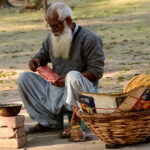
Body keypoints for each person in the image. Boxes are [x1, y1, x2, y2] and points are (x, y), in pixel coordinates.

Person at [18, 2, 105, 137]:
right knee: (24, 78)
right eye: (50, 26)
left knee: (73, 76)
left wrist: (67, 80)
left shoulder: (90, 39)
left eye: (56, 26)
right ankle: (47, 122)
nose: (53, 30)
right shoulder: (51, 37)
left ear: (68, 21)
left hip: (82, 91)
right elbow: (43, 56)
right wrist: (36, 61)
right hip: (56, 90)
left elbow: (96, 71)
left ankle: (77, 118)